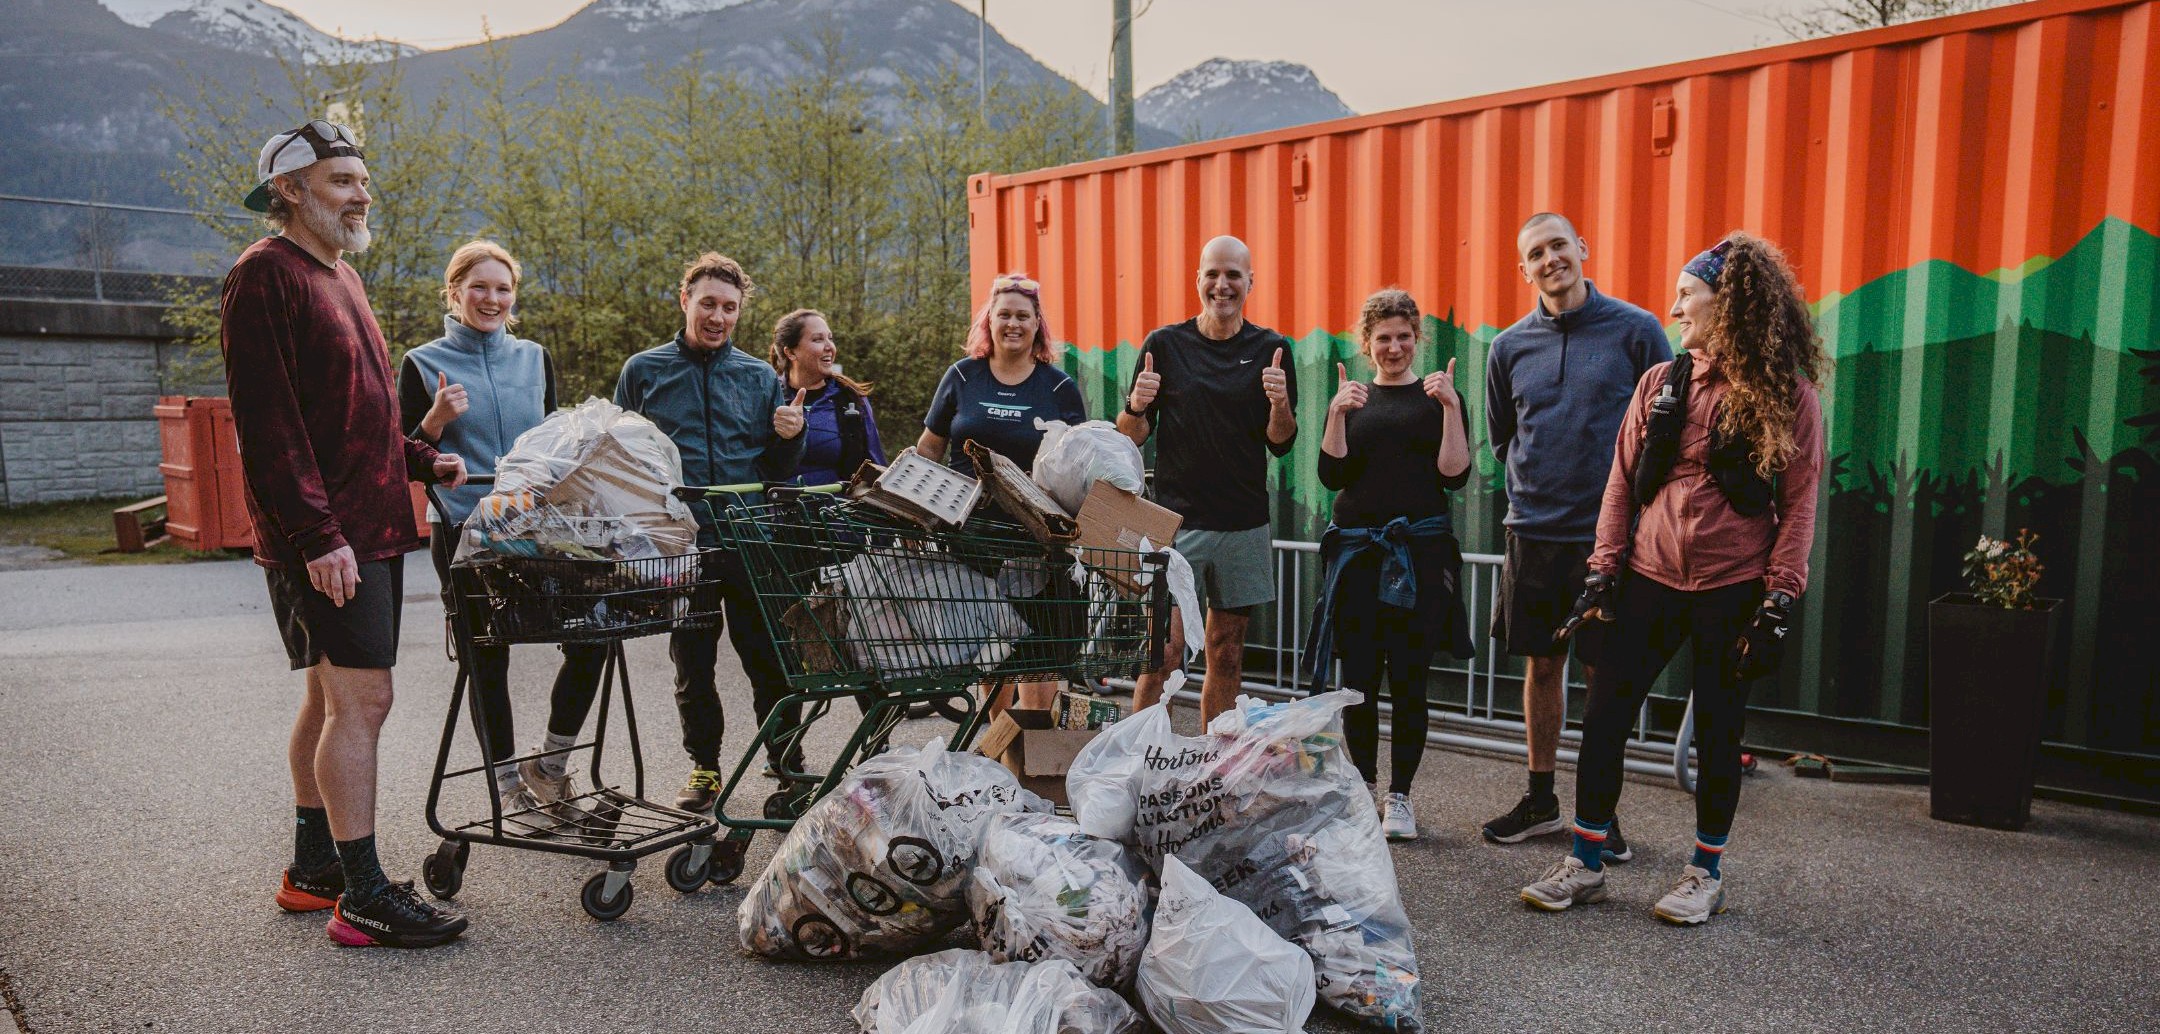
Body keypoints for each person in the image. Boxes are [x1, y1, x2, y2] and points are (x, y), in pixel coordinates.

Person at [1520, 232, 1825, 924]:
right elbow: (1620, 484)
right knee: (1603, 720)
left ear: (1728, 303)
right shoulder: (1662, 382)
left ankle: (1703, 873)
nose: (1674, 305)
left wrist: (1779, 597)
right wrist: (1603, 570)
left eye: (1687, 294)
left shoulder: (1787, 396)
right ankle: (1586, 862)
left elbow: (1800, 500)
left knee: (1719, 732)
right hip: (1648, 579)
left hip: (1733, 585)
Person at [222, 119, 469, 948]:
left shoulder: (344, 277)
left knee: (331, 698)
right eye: (341, 181)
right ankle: (363, 894)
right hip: (328, 537)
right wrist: (319, 535)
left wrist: (420, 459)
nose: (362, 194)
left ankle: (315, 868)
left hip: (367, 524)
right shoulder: (264, 277)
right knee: (367, 701)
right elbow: (270, 426)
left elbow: (353, 414)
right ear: (289, 191)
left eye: (363, 181)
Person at [397, 239, 609, 833]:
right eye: (479, 287)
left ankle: (553, 763)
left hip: (536, 525)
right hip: (463, 525)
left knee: (596, 632)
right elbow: (402, 455)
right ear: (455, 291)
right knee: (486, 655)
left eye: (502, 288)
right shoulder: (420, 361)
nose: (492, 299)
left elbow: (553, 442)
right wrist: (436, 420)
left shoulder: (535, 357)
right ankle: (510, 786)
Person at [1480, 212, 1670, 855]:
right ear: (1524, 268)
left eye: (1559, 245)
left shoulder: (1638, 332)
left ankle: (1599, 811)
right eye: (1536, 252)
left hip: (1609, 538)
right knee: (1541, 664)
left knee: (1603, 672)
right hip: (1532, 530)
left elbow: (1663, 431)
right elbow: (1505, 437)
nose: (1550, 259)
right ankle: (1541, 799)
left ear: (1582, 247)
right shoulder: (1507, 348)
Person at [614, 253, 806, 812]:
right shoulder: (643, 371)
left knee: (768, 658)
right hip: (683, 543)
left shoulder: (758, 377)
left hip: (749, 540)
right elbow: (621, 457)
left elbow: (777, 469)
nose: (717, 316)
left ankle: (785, 761)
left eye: (729, 307)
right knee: (692, 665)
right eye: (708, 304)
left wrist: (790, 436)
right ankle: (704, 768)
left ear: (739, 311)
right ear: (685, 302)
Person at [1305, 289, 1474, 842]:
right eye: (1384, 338)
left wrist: (1450, 406)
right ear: (1367, 343)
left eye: (1404, 336)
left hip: (1418, 558)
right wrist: (1334, 412)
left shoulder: (1437, 399)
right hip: (1357, 558)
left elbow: (1454, 476)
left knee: (1409, 682)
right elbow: (1332, 478)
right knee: (1358, 682)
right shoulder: (1352, 400)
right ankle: (1362, 789)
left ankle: (1399, 797)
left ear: (1417, 338)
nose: (1395, 347)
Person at [1121, 236, 1297, 724]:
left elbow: (1281, 442)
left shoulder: (1272, 349)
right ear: (1198, 280)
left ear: (1250, 283)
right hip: (1177, 526)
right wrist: (1136, 404)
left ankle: (1214, 769)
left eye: (1233, 276)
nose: (1223, 285)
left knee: (1227, 653)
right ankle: (1140, 767)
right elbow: (1130, 435)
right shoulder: (1165, 345)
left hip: (1243, 524)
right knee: (1164, 655)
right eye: (1213, 274)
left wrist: (1280, 403)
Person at [917, 273, 1088, 713]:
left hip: (1035, 539)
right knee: (991, 650)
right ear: (988, 321)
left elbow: (1074, 466)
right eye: (1004, 314)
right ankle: (998, 747)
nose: (1013, 323)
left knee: (1039, 650)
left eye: (1023, 316)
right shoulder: (961, 376)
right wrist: (912, 508)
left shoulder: (1057, 387)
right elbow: (928, 450)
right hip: (969, 536)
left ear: (1037, 325)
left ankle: (1034, 750)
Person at [770, 308, 886, 486]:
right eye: (817, 339)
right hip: (776, 510)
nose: (829, 347)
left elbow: (876, 464)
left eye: (830, 338)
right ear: (791, 352)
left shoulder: (851, 399)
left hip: (837, 509)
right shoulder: (767, 395)